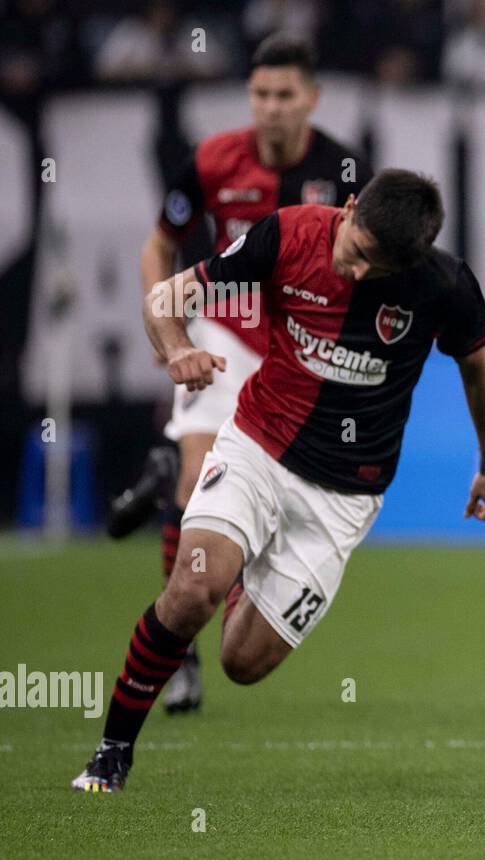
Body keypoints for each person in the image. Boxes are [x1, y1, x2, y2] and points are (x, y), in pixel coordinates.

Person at [72, 169, 485, 792]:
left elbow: (477, 368)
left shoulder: (443, 284)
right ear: (349, 206)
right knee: (194, 591)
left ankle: (237, 553)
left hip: (344, 496)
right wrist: (174, 352)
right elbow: (167, 298)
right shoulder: (286, 235)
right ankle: (111, 753)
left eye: (378, 269)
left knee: (243, 663)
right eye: (356, 252)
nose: (358, 273)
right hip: (257, 445)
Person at [107, 33, 372, 714]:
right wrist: (164, 329)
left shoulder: (345, 171)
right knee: (200, 485)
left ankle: (166, 477)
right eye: (261, 94)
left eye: (286, 95)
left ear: (311, 98)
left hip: (295, 353)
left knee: (249, 507)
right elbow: (161, 243)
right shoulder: (212, 159)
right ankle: (183, 658)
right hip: (223, 332)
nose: (272, 108)